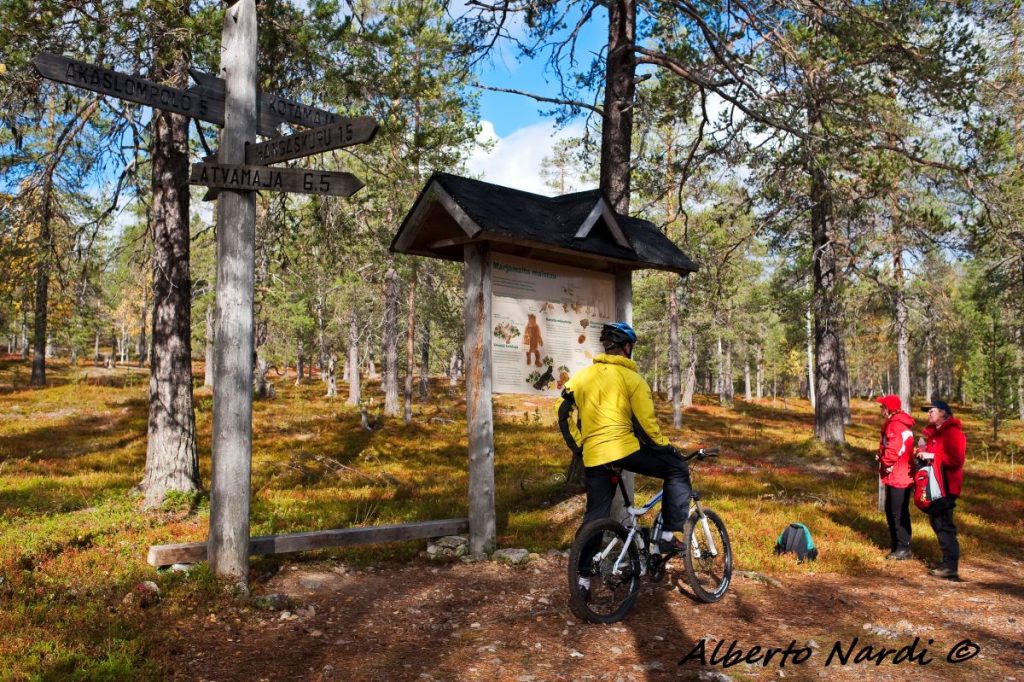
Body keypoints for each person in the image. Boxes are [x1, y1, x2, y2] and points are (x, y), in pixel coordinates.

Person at [555, 322, 691, 593]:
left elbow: (563, 413)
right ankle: (665, 535)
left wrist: (579, 447)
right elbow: (646, 425)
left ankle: (582, 581)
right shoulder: (633, 379)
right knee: (676, 469)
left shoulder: (582, 377)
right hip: (624, 450)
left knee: (595, 517)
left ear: (607, 348)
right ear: (627, 348)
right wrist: (666, 449)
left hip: (594, 455)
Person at [917, 399, 966, 580]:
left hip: (946, 486)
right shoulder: (935, 434)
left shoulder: (953, 433)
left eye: (932, 410)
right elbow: (935, 458)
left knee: (944, 524)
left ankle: (950, 567)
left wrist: (932, 455)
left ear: (944, 413)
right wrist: (922, 453)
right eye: (928, 411)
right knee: (937, 522)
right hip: (936, 485)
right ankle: (947, 562)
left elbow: (957, 461)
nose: (929, 413)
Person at [874, 395, 916, 560]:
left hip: (899, 475)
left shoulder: (896, 426)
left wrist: (884, 461)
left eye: (882, 407)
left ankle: (903, 548)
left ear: (889, 409)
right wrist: (881, 455)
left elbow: (895, 450)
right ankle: (898, 545)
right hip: (899, 474)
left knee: (896, 512)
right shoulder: (896, 424)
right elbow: (890, 447)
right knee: (895, 511)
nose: (880, 410)